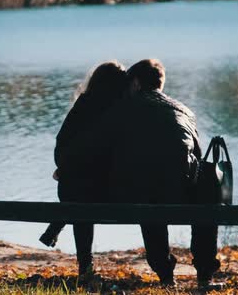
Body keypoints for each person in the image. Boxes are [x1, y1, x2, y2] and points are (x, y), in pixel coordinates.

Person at [61, 59, 220, 287]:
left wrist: (66, 168)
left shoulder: (121, 110)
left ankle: (165, 275)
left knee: (146, 182)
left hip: (134, 196)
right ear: (160, 83)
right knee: (195, 184)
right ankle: (205, 275)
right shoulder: (185, 111)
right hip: (181, 192)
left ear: (135, 83)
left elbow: (87, 147)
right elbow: (197, 156)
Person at [39, 61, 128, 277]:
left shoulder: (82, 105)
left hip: (71, 187)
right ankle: (82, 263)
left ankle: (84, 266)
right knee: (87, 194)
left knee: (80, 199)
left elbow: (62, 144)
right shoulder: (119, 109)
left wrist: (64, 168)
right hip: (104, 190)